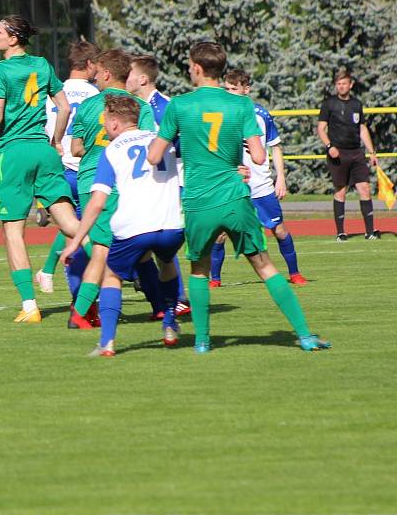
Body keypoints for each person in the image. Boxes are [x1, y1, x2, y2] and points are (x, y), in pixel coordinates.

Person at [147, 41, 330, 353]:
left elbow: (154, 157)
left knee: (199, 269)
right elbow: (259, 157)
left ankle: (203, 341)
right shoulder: (242, 106)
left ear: (197, 68)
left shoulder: (179, 106)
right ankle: (305, 335)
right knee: (264, 264)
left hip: (199, 199)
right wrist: (235, 163)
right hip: (234, 196)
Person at [0, 15, 90, 323]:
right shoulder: (43, 65)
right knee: (72, 224)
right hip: (44, 153)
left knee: (13, 231)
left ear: (13, 38)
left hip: (15, 153)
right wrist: (56, 140)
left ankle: (30, 307)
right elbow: (65, 107)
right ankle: (113, 265)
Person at [61, 94, 184, 356]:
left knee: (111, 275)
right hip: (171, 225)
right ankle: (170, 320)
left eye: (105, 121)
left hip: (133, 228)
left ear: (116, 123)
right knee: (167, 264)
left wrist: (74, 241)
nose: (104, 127)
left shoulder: (112, 150)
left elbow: (96, 203)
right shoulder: (162, 141)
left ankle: (107, 342)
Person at [66, 49, 157, 330]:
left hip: (88, 180)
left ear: (105, 73)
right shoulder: (139, 106)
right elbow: (148, 143)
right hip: (120, 183)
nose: (94, 77)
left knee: (132, 247)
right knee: (107, 250)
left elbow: (75, 148)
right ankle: (80, 312)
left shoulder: (88, 105)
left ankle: (162, 304)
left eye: (97, 73)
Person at [210, 68, 307, 287]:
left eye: (235, 88)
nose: (230, 92)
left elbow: (276, 147)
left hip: (261, 187)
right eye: (228, 88)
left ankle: (295, 274)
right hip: (232, 186)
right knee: (221, 234)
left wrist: (281, 177)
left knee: (279, 230)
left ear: (247, 89)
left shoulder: (260, 114)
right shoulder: (220, 114)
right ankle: (214, 280)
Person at [126, 54, 191, 315]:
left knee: (160, 242)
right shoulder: (135, 107)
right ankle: (162, 298)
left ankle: (177, 298)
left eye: (129, 74)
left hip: (170, 185)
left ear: (143, 78)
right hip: (147, 185)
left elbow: (181, 148)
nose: (125, 77)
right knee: (144, 242)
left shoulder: (165, 107)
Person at [34, 40, 100, 297]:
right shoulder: (95, 95)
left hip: (55, 165)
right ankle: (82, 284)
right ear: (89, 64)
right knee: (82, 226)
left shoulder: (53, 91)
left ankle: (49, 270)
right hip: (82, 166)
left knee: (71, 225)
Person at [316, 69, 380, 241]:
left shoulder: (357, 104)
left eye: (344, 83)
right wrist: (329, 146)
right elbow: (321, 129)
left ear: (350, 85)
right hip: (338, 153)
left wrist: (371, 152)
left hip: (356, 153)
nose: (341, 86)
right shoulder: (329, 104)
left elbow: (362, 128)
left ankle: (370, 232)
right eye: (338, 84)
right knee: (341, 191)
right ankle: (340, 233)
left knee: (365, 189)